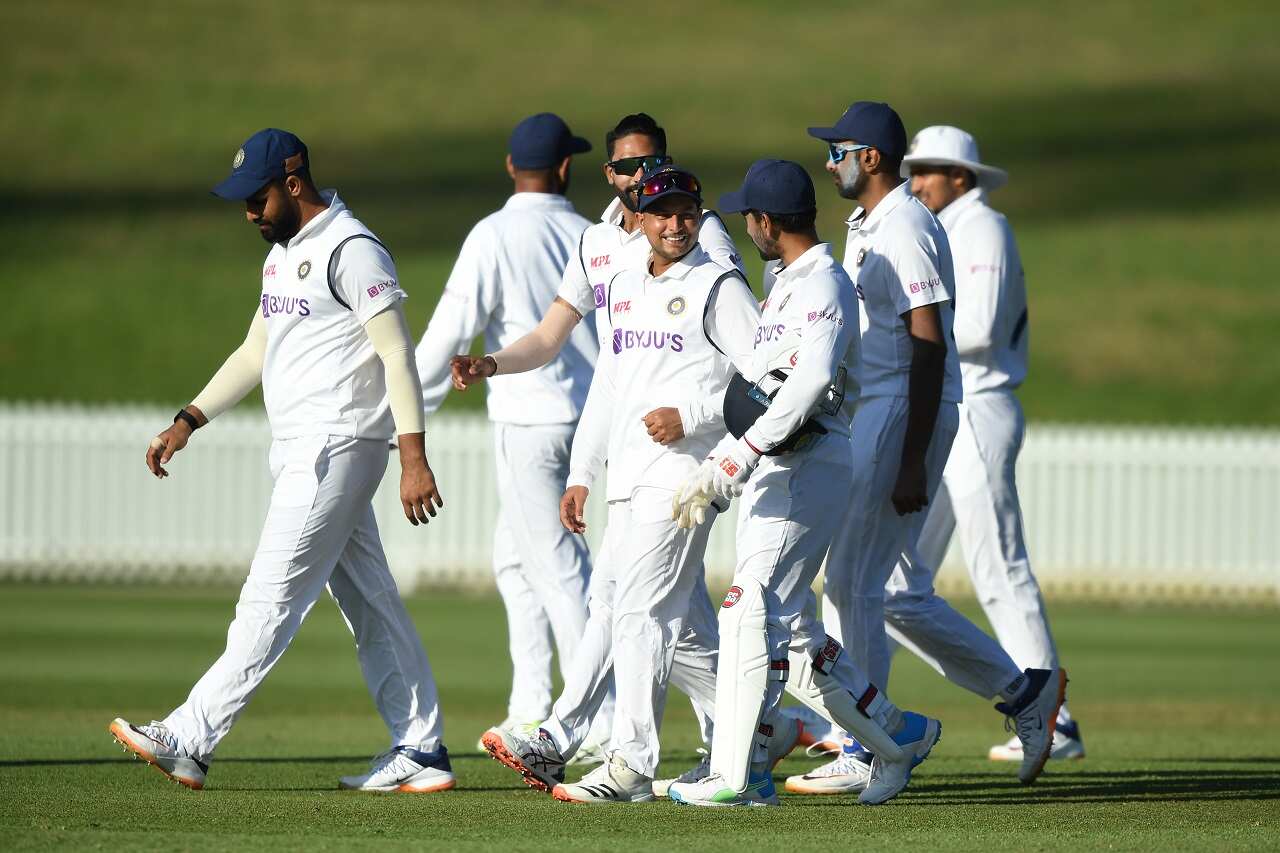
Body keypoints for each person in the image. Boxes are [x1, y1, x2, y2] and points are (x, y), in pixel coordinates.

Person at [109, 129, 453, 794]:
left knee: (269, 596)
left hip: (337, 444)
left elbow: (396, 355)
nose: (247, 213)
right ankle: (422, 745)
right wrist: (188, 419)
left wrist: (414, 457)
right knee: (370, 601)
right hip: (304, 448)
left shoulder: (352, 249)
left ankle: (190, 735)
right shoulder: (283, 253)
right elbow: (253, 351)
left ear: (294, 184)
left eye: (255, 199)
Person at [454, 115, 778, 786]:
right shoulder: (615, 263)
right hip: (630, 470)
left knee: (630, 607)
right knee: (659, 622)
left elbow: (764, 371)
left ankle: (610, 752)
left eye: (678, 206)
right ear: (616, 184)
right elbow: (609, 375)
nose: (669, 218)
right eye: (639, 185)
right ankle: (759, 729)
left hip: (688, 469)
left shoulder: (712, 265)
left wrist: (702, 423)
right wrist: (581, 469)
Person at [793, 102, 1064, 794]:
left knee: (854, 580)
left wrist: (913, 456)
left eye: (839, 151)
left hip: (903, 409)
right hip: (876, 408)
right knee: (874, 586)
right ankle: (1020, 692)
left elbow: (929, 340)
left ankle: (870, 741)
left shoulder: (909, 224)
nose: (831, 163)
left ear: (872, 158)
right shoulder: (874, 222)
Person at [667, 160, 940, 808]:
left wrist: (734, 459)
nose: (746, 227)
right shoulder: (784, 281)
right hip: (778, 466)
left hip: (810, 462)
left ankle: (740, 775)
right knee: (790, 632)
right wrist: (722, 449)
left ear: (766, 222)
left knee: (744, 606)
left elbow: (812, 379)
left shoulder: (824, 283)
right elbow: (759, 381)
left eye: (748, 218)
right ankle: (900, 733)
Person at [412, 113, 609, 760]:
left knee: (558, 572)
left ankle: (595, 721)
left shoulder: (493, 234)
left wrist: (403, 419)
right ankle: (531, 706)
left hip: (530, 422)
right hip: (584, 422)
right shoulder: (591, 233)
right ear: (566, 167)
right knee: (515, 562)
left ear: (508, 167)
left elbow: (448, 334)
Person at [902, 124, 1084, 761]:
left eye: (928, 170)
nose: (915, 181)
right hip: (951, 406)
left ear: (962, 177)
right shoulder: (948, 228)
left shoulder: (983, 228)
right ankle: (860, 724)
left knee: (999, 568)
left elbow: (977, 327)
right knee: (897, 583)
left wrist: (905, 329)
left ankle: (1054, 719)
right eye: (913, 169)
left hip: (976, 406)